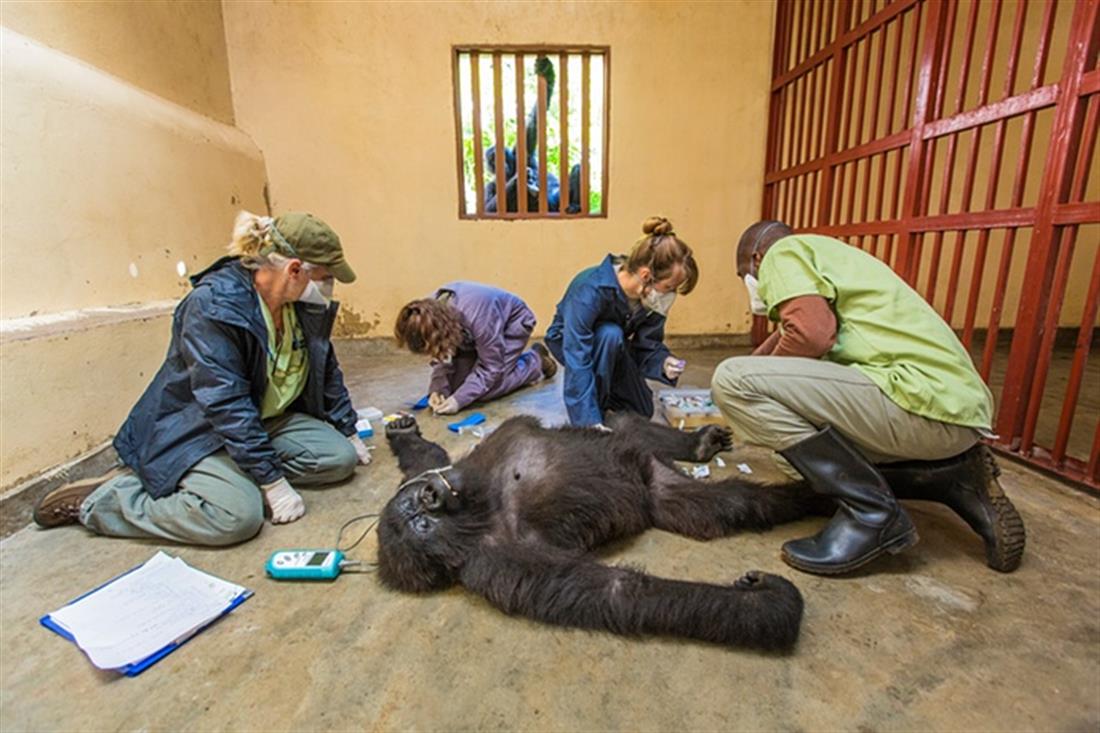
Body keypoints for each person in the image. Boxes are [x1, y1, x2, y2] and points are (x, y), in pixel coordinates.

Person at [32, 211, 373, 545]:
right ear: (295, 269)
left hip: (264, 419)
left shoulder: (298, 304)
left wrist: (347, 427)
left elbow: (325, 365)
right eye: (325, 276)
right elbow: (226, 402)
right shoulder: (213, 305)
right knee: (237, 518)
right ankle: (106, 499)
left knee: (337, 459)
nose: (327, 287)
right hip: (199, 431)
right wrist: (272, 482)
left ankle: (228, 478)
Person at [711, 220, 1025, 576]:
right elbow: (782, 347)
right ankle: (948, 478)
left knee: (730, 379)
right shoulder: (835, 261)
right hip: (949, 417)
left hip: (917, 398)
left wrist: (735, 391)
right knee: (792, 461)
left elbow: (810, 337)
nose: (751, 285)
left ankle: (873, 515)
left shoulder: (784, 253)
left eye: (744, 276)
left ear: (756, 258)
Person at [545, 216, 698, 428]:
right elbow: (577, 356)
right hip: (571, 342)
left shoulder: (651, 299)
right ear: (646, 275)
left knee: (641, 411)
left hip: (612, 344)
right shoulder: (590, 290)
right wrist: (588, 422)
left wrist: (663, 362)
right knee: (610, 333)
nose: (670, 295)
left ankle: (605, 396)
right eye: (670, 287)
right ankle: (593, 412)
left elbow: (647, 344)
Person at [393, 282, 555, 415]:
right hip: (470, 334)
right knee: (459, 386)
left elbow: (491, 367)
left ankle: (536, 362)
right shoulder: (425, 316)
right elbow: (440, 356)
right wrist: (438, 389)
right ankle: (520, 362)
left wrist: (458, 401)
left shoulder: (479, 318)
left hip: (511, 324)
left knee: (489, 389)